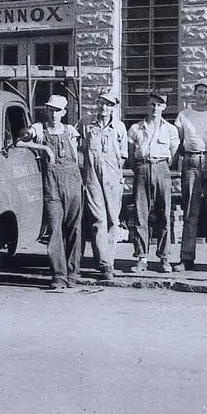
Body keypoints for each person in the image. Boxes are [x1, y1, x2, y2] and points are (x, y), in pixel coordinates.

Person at [18, 94, 83, 290]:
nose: (53, 114)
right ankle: (58, 275)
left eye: (57, 111)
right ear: (46, 110)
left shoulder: (71, 131)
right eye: (51, 110)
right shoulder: (39, 129)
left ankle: (72, 273)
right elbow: (19, 141)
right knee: (55, 229)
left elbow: (79, 156)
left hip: (73, 182)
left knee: (74, 229)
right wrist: (44, 148)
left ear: (64, 112)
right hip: (51, 185)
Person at [174, 79, 207, 271]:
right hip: (191, 162)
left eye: (206, 92)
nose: (202, 95)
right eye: (199, 92)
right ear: (194, 93)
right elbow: (178, 142)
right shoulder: (184, 115)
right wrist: (190, 156)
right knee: (190, 211)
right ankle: (186, 258)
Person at [125, 90, 180, 274]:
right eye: (152, 104)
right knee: (141, 215)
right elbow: (131, 156)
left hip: (162, 168)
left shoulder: (170, 129)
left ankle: (164, 258)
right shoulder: (135, 129)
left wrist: (160, 166)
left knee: (164, 214)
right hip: (142, 168)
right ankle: (142, 258)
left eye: (159, 105)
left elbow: (173, 153)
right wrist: (141, 168)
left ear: (164, 107)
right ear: (147, 106)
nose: (155, 108)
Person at [78, 88, 127, 281]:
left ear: (114, 106)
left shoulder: (119, 127)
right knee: (98, 219)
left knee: (113, 219)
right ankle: (105, 264)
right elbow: (78, 148)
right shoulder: (86, 124)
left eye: (108, 104)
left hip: (113, 177)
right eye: (101, 103)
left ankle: (109, 259)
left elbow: (123, 155)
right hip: (92, 176)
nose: (104, 107)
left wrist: (113, 172)